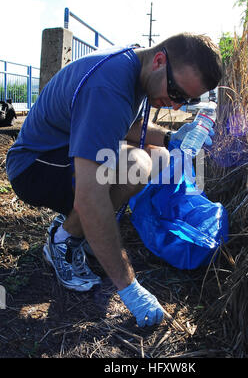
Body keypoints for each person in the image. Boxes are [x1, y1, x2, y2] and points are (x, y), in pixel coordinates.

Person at [6, 32, 223, 328]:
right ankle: (63, 240)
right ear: (159, 61)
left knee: (156, 155)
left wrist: (172, 137)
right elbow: (89, 195)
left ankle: (89, 234)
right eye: (175, 92)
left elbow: (127, 124)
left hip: (61, 153)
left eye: (185, 100)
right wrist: (129, 289)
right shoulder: (109, 85)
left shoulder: (136, 66)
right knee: (136, 163)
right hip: (34, 166)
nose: (174, 106)